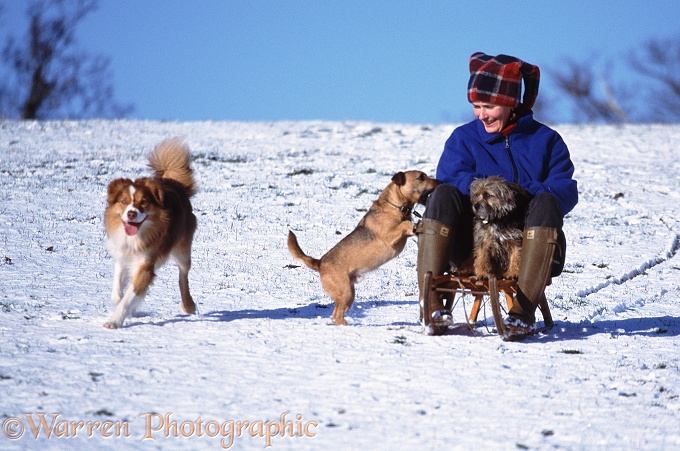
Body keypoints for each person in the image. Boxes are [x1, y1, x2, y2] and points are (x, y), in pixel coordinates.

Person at [416, 52, 578, 340]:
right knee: (442, 194)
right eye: (476, 106)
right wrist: (488, 189)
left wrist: (520, 194)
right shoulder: (463, 139)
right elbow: (452, 177)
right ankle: (431, 305)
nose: (481, 114)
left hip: (526, 249)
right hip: (472, 246)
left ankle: (522, 312)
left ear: (510, 103)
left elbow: (565, 189)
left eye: (488, 105)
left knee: (547, 202)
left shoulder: (546, 141)